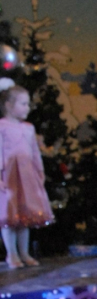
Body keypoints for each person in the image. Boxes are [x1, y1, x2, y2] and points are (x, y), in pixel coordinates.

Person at [0, 83, 54, 268]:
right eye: (23, 104)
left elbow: (34, 152)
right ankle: (12, 254)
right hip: (9, 176)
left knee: (24, 217)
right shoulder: (2, 127)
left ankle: (24, 252)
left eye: (28, 104)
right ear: (9, 105)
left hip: (27, 176)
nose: (27, 108)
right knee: (10, 216)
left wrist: (40, 171)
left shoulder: (29, 128)